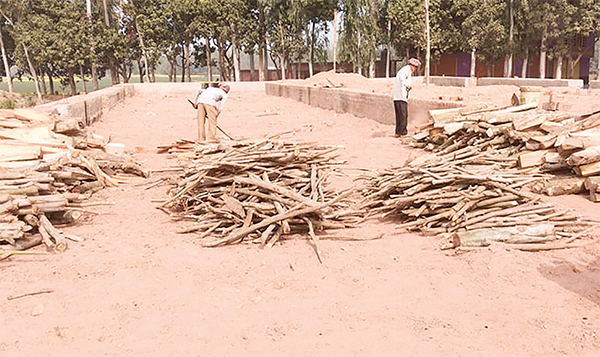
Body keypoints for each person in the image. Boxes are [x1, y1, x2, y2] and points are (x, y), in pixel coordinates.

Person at [393, 57, 421, 137]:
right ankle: (403, 132)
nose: (414, 69)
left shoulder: (403, 70)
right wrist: (407, 85)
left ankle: (398, 132)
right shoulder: (407, 70)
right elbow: (402, 77)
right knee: (403, 115)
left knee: (399, 116)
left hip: (397, 97)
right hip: (401, 96)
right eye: (415, 67)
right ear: (412, 66)